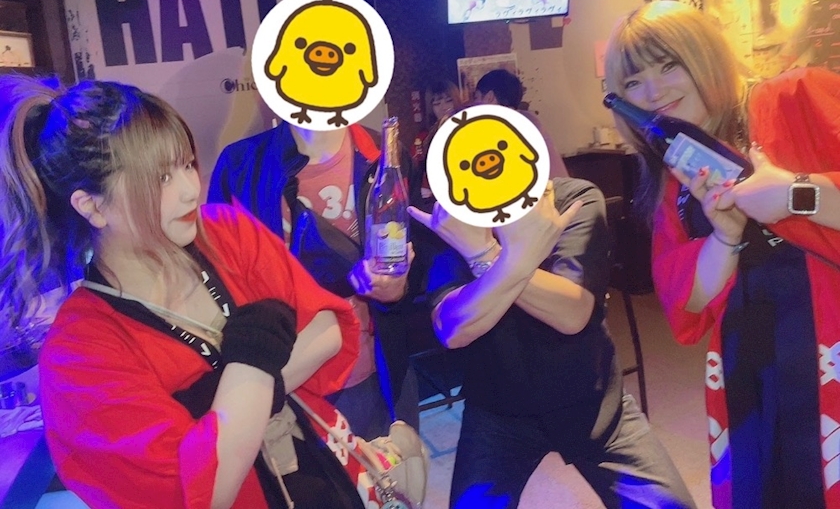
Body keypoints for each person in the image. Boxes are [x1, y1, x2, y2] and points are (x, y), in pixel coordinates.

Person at [0, 75, 373, 508]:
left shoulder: (225, 231)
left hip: (329, 475)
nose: (190, 189)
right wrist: (252, 360)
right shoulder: (80, 353)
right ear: (94, 206)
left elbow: (328, 330)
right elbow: (204, 492)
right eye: (161, 177)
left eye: (186, 164)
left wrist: (212, 408)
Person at [604, 0, 840, 508]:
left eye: (669, 65)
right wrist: (724, 238)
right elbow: (686, 301)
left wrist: (797, 194)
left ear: (705, 53)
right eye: (634, 82)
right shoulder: (676, 166)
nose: (654, 91)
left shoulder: (797, 95)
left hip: (829, 349)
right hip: (750, 365)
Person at [409, 178, 695, 508]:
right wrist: (512, 258)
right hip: (497, 412)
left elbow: (572, 314)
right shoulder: (451, 219)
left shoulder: (572, 198)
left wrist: (485, 254)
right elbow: (454, 329)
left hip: (592, 400)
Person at [208, 117, 422, 440]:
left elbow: (417, 264)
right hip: (287, 380)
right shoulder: (240, 164)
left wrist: (395, 290)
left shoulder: (385, 152)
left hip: (375, 376)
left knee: (390, 470)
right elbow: (220, 279)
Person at [473, 68, 568, 179]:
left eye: (476, 97)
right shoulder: (530, 119)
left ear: (490, 97)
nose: (473, 104)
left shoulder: (499, 126)